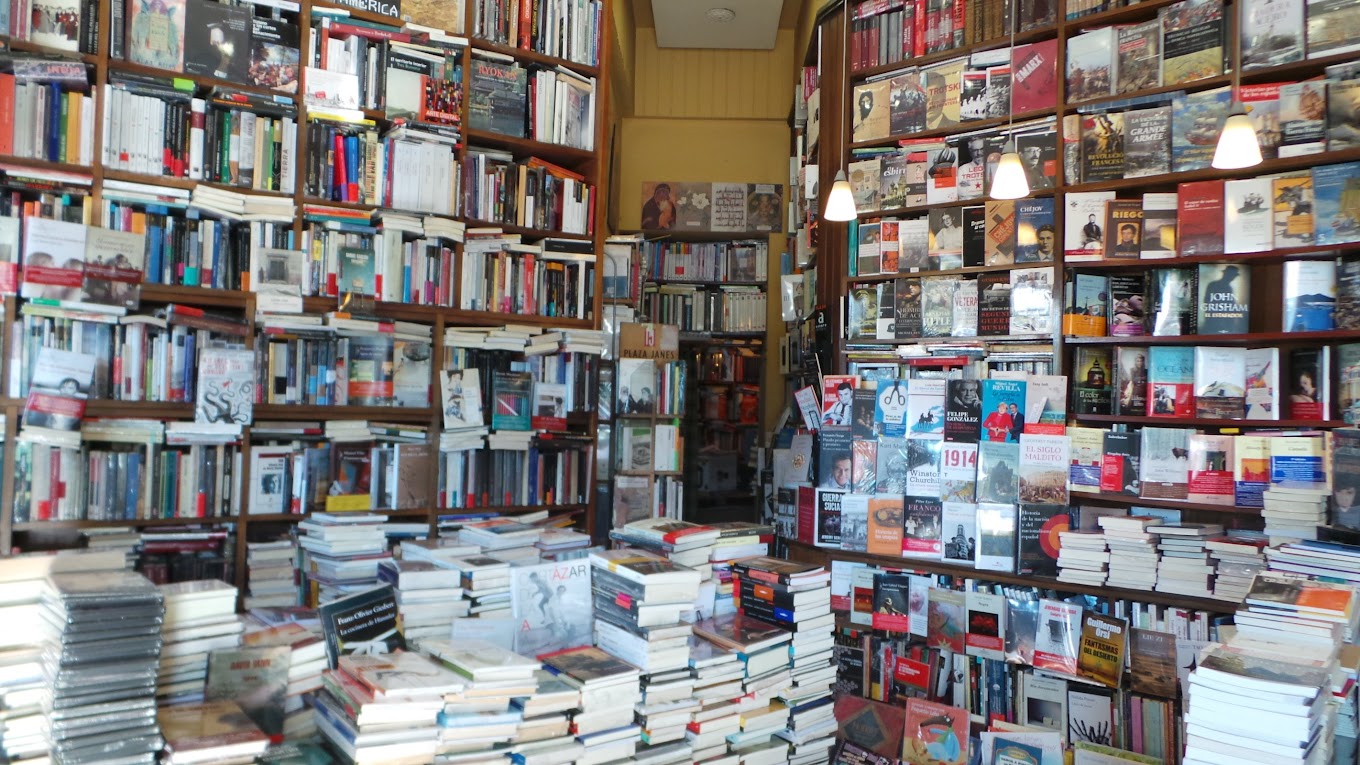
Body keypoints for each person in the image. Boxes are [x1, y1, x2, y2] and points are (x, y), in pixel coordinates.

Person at [1199, 265, 1241, 334]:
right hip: (1213, 321)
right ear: (1225, 274)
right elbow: (1207, 302)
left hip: (1224, 321)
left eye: (1233, 276)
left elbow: (1231, 304)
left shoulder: (1229, 288)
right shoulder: (1213, 285)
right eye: (1231, 275)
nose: (1232, 277)